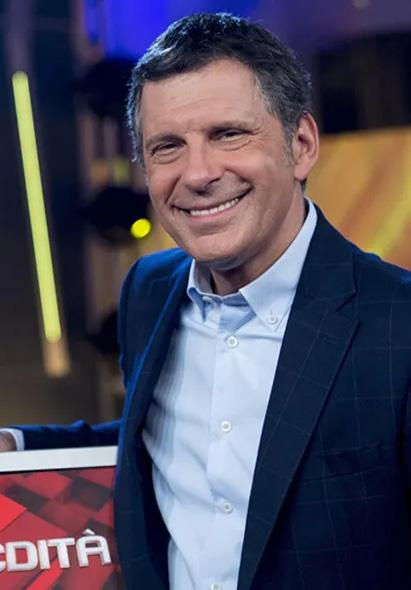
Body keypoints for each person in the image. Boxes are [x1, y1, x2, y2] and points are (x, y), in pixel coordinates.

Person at [2, 12, 411, 590]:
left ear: (300, 145)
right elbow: (165, 441)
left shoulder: (398, 324)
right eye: (167, 146)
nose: (197, 173)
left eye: (228, 134)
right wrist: (16, 447)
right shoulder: (148, 290)